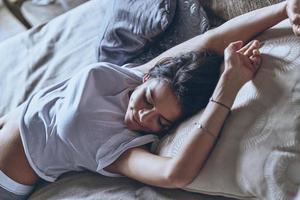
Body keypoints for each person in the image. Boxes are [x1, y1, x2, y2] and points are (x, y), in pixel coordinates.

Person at [0, 0, 299, 199]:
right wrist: (284, 7)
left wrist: (228, 88)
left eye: (160, 121)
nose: (144, 117)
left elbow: (174, 174)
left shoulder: (117, 148)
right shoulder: (134, 75)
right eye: (149, 100)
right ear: (149, 77)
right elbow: (214, 40)